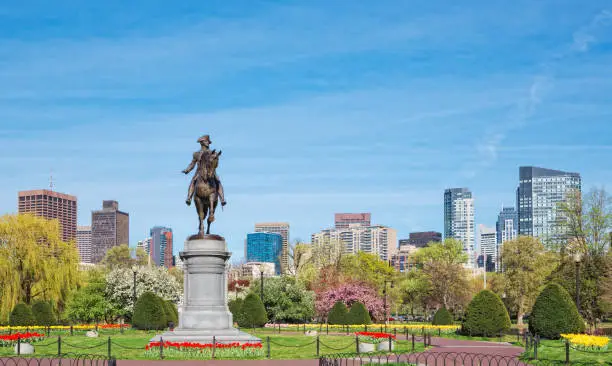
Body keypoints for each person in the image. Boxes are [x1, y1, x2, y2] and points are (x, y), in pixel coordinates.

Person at [182, 134, 227, 207]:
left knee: (218, 181)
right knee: (193, 181)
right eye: (206, 141)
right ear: (201, 142)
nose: (208, 143)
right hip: (199, 172)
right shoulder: (196, 154)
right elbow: (192, 164)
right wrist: (187, 170)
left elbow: (215, 163)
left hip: (211, 171)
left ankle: (222, 199)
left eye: (208, 141)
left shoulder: (212, 153)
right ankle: (189, 198)